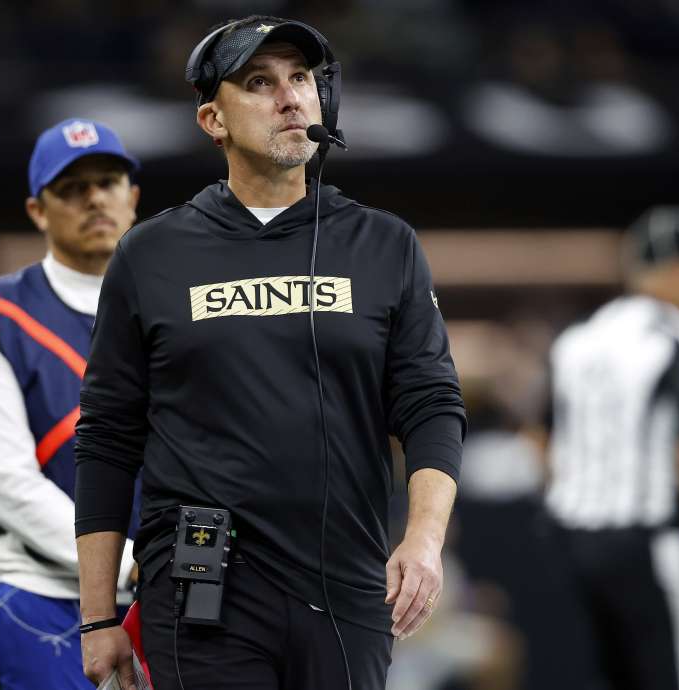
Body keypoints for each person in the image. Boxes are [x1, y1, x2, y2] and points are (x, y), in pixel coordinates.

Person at [73, 15, 465, 690]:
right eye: (258, 82)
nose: (288, 98)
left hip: (346, 583)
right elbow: (108, 436)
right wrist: (97, 616)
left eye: (301, 78)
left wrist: (425, 541)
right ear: (213, 120)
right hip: (202, 585)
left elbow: (431, 405)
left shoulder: (385, 245)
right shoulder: (151, 255)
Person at [0, 118, 142, 689]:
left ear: (132, 197)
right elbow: (8, 484)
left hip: (169, 597)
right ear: (37, 211)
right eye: (72, 188)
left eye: (107, 182)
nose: (94, 198)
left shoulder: (176, 307)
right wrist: (131, 563)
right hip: (48, 600)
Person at [543, 206, 679, 690]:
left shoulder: (578, 339)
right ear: (677, 268)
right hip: (648, 539)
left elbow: (541, 439)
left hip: (576, 542)